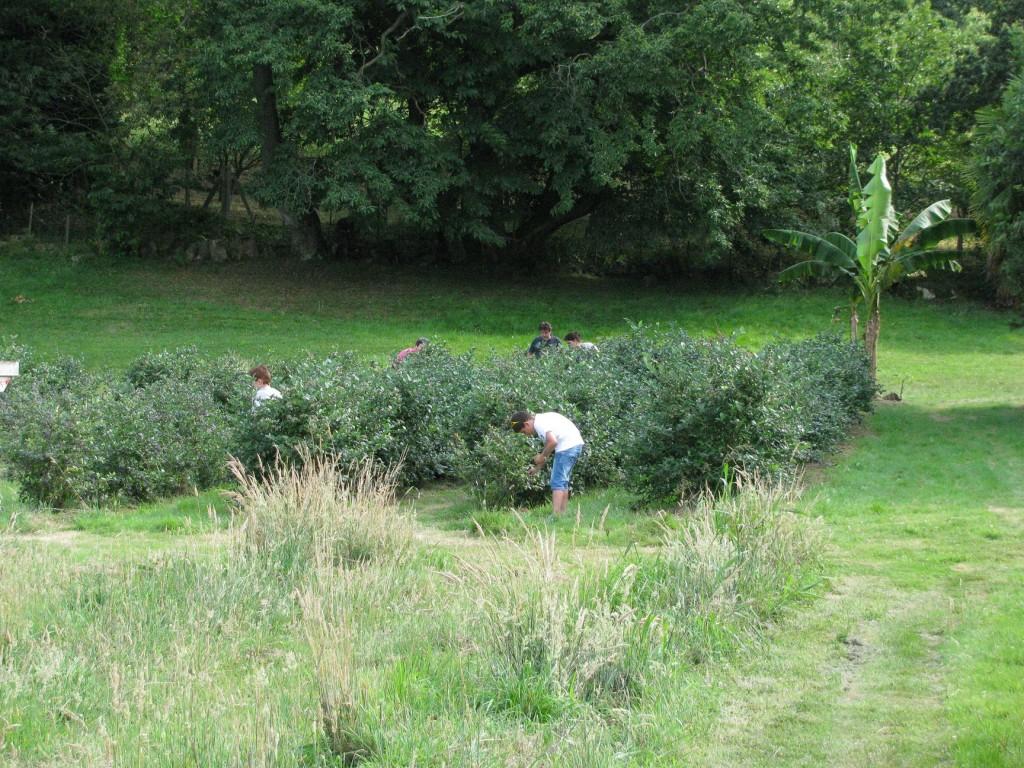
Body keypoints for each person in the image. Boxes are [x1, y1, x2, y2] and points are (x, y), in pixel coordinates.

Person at [509, 410, 584, 515]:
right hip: (573, 445)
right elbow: (549, 447)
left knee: (557, 481)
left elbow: (553, 442)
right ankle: (562, 514)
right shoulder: (541, 421)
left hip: (567, 446)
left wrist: (541, 456)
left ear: (526, 424)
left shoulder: (540, 424)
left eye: (524, 432)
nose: (526, 435)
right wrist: (537, 468)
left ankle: (556, 514)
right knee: (562, 481)